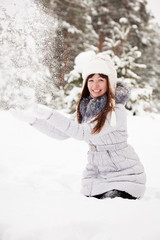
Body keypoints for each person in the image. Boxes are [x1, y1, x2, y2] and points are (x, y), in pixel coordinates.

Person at [11, 53, 146, 200]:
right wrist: (34, 120)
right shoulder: (87, 109)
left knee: (110, 206)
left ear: (110, 82)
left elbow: (82, 133)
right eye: (91, 80)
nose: (95, 85)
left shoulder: (116, 111)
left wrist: (51, 114)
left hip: (125, 177)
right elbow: (61, 133)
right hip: (97, 177)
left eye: (101, 80)